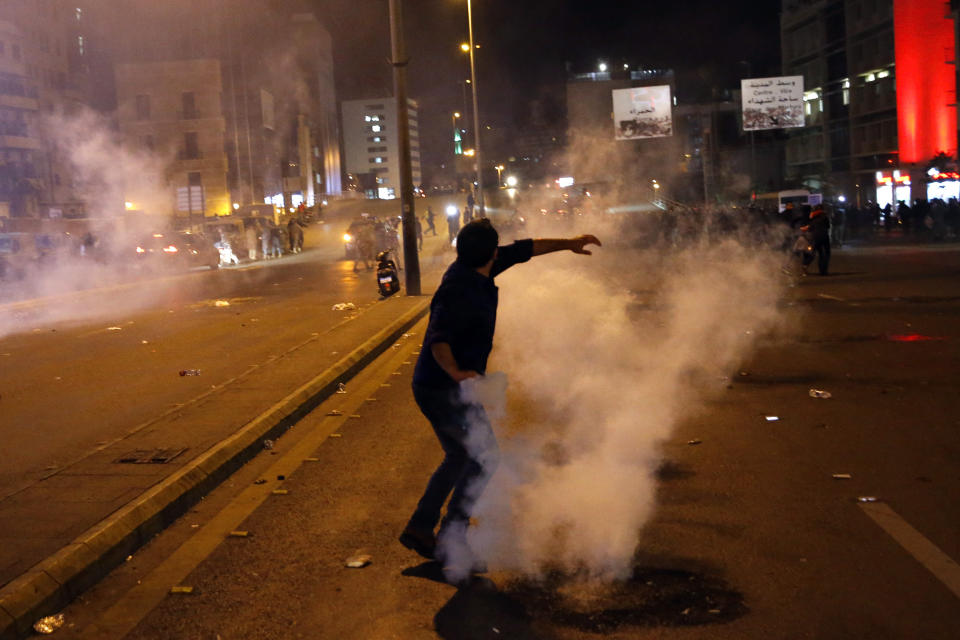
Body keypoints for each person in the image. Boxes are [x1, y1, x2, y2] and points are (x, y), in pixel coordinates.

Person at [398, 218, 601, 574]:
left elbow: (527, 248)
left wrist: (569, 242)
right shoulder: (458, 287)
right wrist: (458, 374)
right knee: (482, 457)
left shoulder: (477, 264)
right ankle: (450, 538)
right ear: (491, 253)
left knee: (461, 456)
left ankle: (424, 527)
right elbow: (439, 341)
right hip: (441, 389)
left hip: (451, 387)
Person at [801, 205, 831, 275]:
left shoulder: (812, 217)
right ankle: (823, 271)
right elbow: (828, 226)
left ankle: (805, 265)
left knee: (812, 253)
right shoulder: (825, 217)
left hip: (814, 238)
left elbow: (810, 227)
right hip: (824, 237)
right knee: (824, 254)